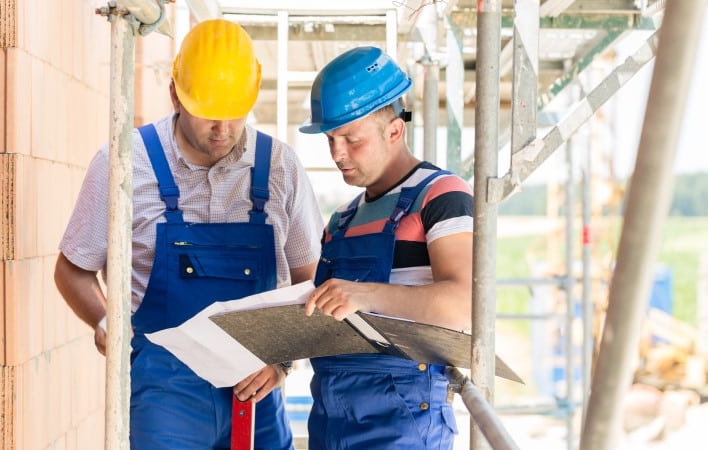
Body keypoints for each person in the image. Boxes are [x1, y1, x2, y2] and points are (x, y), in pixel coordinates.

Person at [54, 19, 324, 449]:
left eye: (234, 113)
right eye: (208, 114)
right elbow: (72, 271)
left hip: (255, 388)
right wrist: (108, 324)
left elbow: (310, 279)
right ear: (175, 95)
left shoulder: (280, 167)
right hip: (164, 391)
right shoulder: (125, 162)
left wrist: (282, 360)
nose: (222, 129)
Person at [299, 46, 474, 449]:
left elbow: (465, 304)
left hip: (402, 422)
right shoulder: (340, 220)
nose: (337, 153)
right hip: (330, 415)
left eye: (351, 139)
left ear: (394, 130)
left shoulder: (440, 195)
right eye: (330, 139)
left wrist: (363, 294)